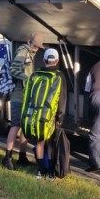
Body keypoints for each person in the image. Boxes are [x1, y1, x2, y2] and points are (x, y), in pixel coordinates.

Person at [1, 33, 44, 170]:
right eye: (34, 46)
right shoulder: (23, 51)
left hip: (26, 96)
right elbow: (14, 69)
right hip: (19, 96)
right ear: (28, 41)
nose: (36, 49)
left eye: (38, 47)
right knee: (15, 125)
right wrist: (28, 79)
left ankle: (22, 156)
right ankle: (7, 158)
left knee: (24, 126)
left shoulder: (30, 52)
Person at [32, 48, 67, 180]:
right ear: (57, 60)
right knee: (51, 143)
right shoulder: (59, 76)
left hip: (38, 114)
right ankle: (51, 173)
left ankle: (40, 171)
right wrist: (60, 116)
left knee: (40, 142)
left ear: (44, 60)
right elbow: (62, 98)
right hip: (51, 115)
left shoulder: (37, 74)